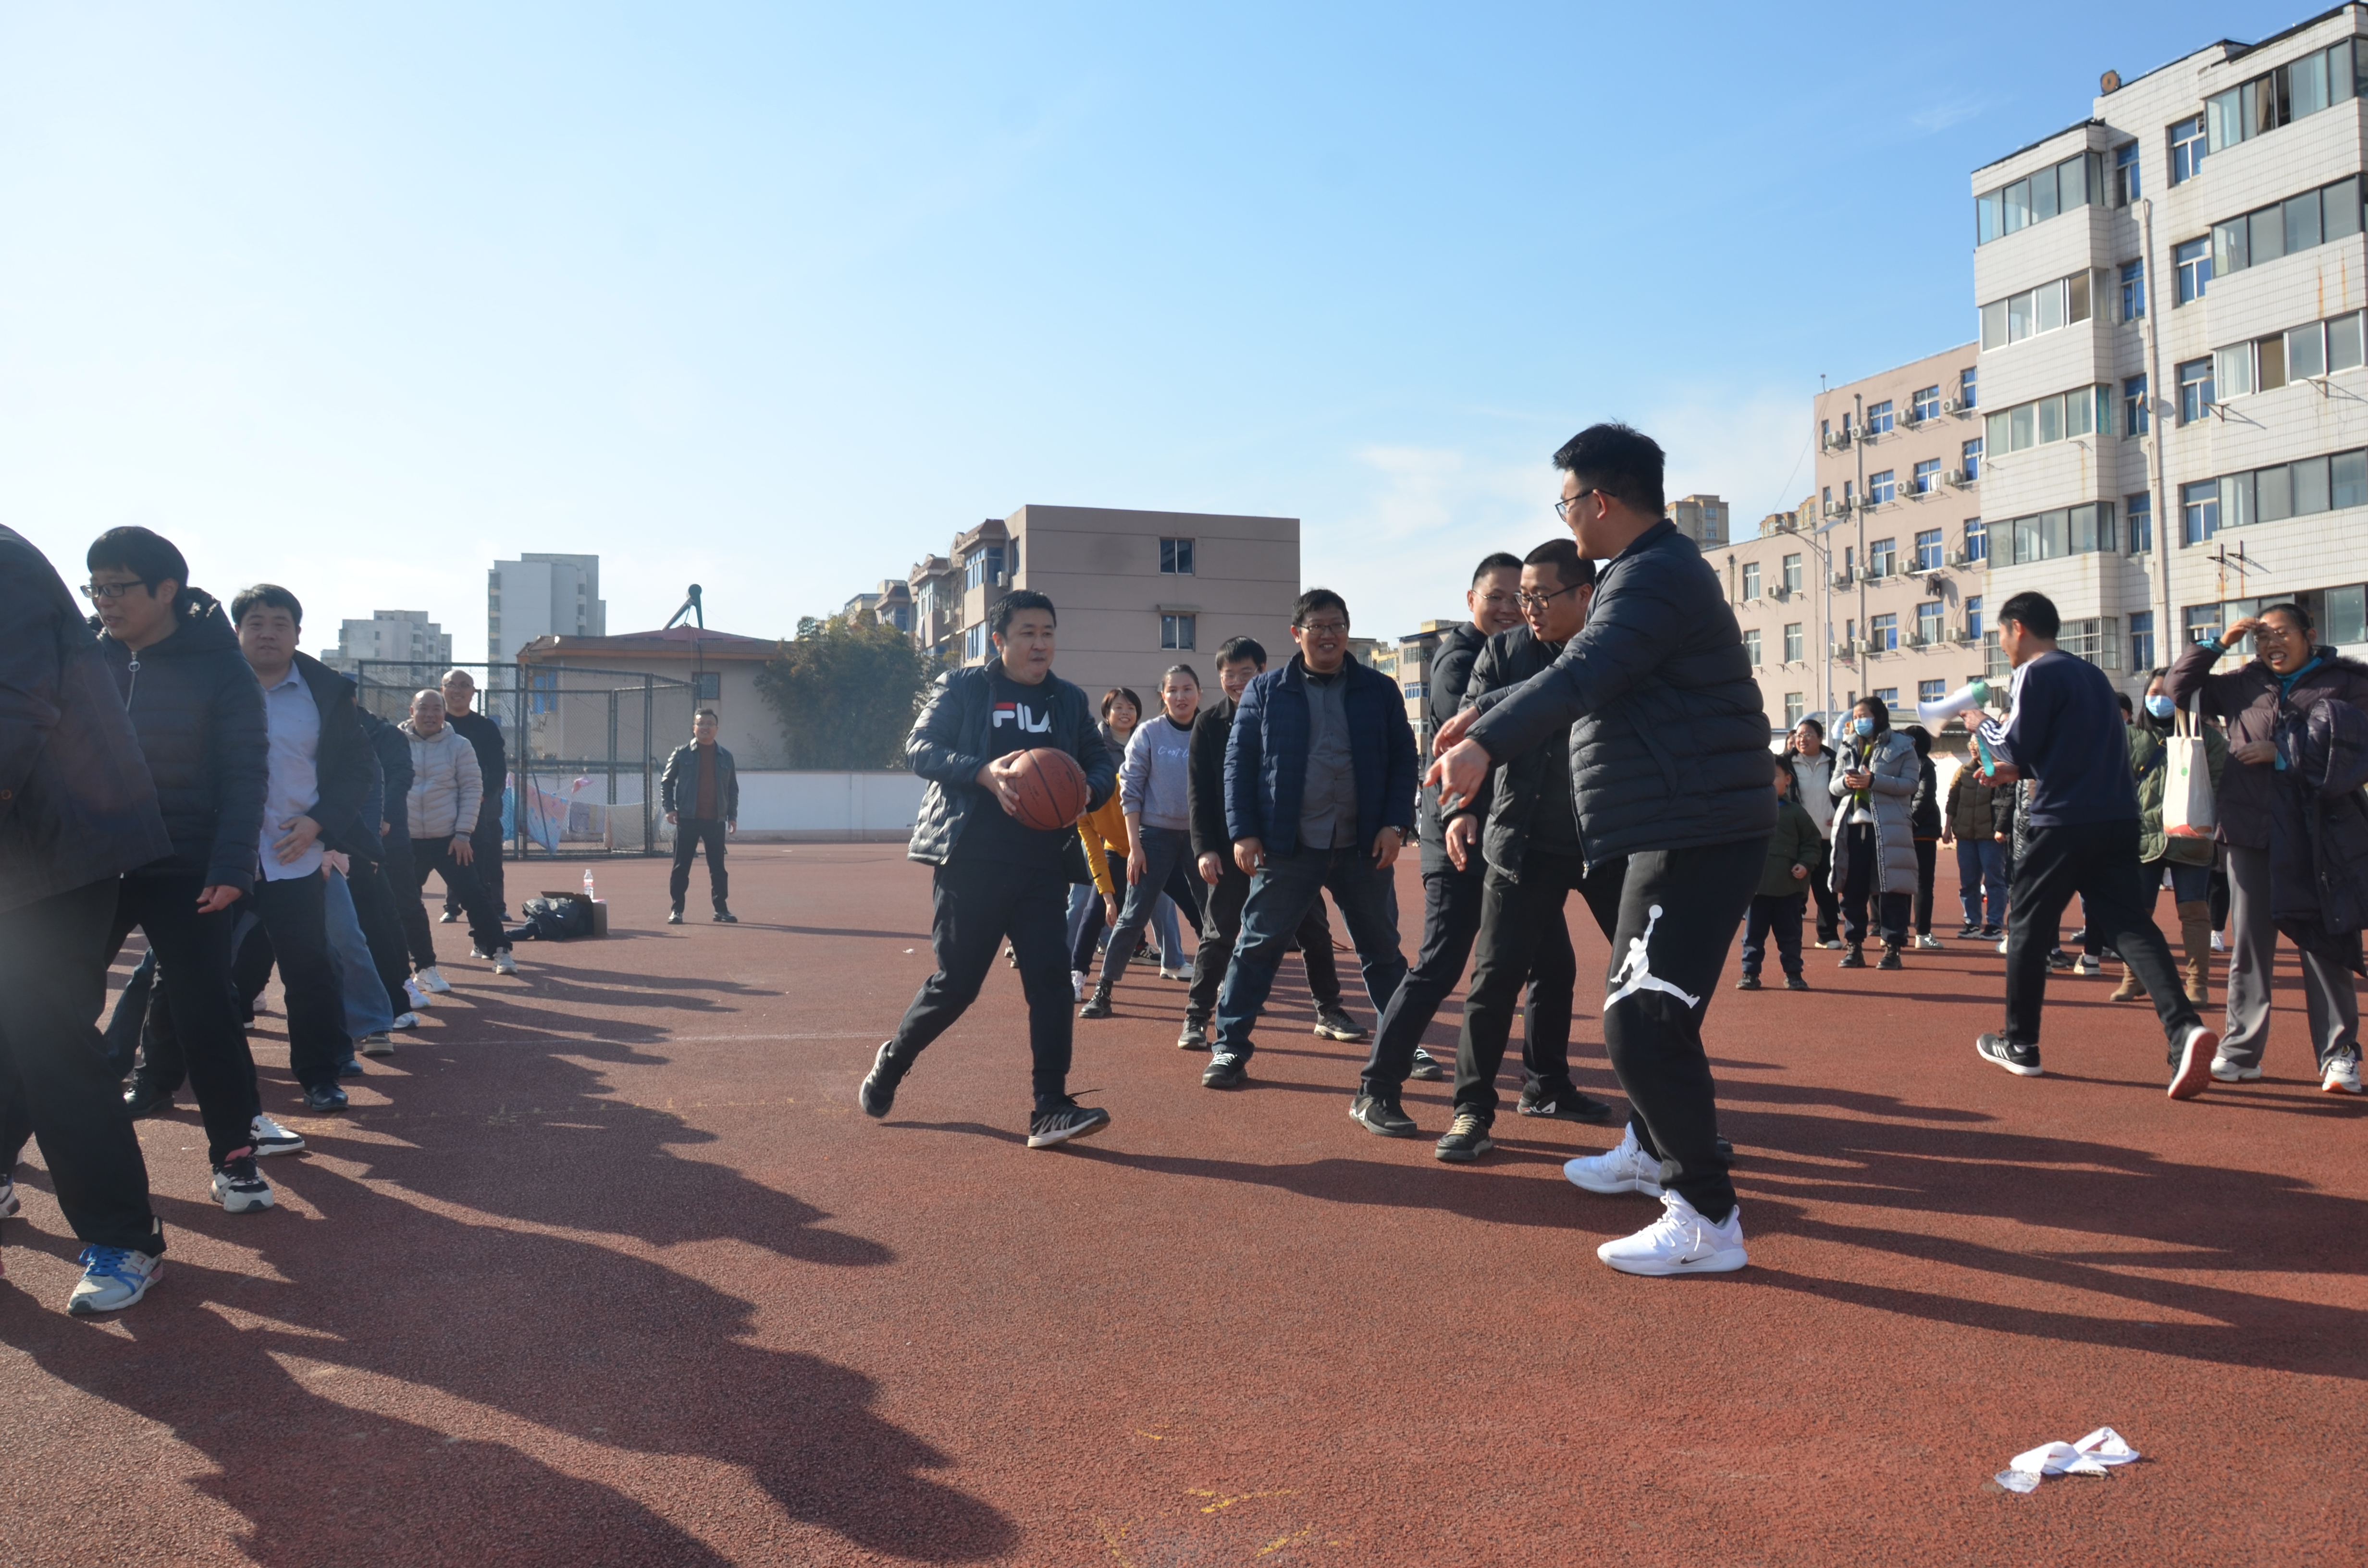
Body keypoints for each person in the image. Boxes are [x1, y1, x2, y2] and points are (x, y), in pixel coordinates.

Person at [1431, 422, 1772, 1277]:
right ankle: (1650, 1151)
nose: (1567, 517)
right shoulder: (1642, 571)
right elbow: (1581, 661)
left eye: (1568, 503)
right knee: (1649, 1009)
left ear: (1602, 500)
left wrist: (1484, 744)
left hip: (1696, 827)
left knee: (1641, 1020)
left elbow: (1587, 671)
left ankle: (1706, 1215)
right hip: (1672, 825)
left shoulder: (1655, 576)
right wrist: (1484, 711)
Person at [860, 590, 1120, 1147]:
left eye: (1047, 633)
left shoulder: (1068, 700)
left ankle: (1049, 1106)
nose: (1039, 644)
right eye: (1027, 633)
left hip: (1042, 863)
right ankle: (894, 1060)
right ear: (999, 640)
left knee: (1051, 982)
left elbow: (1101, 762)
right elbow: (919, 747)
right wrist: (981, 772)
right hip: (971, 859)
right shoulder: (963, 687)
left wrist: (1086, 792)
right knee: (957, 985)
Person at [75, 529, 282, 1208]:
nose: (104, 601)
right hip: (91, 867)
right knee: (48, 1012)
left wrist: (231, 865)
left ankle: (235, 1159)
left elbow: (246, 775)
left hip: (188, 869)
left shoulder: (221, 667)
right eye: (95, 587)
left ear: (167, 590)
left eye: (117, 587)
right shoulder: (82, 657)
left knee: (206, 1014)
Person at [0, 525, 174, 1313]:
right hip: (26, 846)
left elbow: (13, 710)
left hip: (59, 847)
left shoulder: (5, 564)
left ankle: (125, 1237)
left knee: (51, 1040)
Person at [1405, 540, 1612, 1155]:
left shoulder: (1613, 647)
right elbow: (1463, 740)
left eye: (1540, 597)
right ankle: (1471, 1113)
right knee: (1493, 979)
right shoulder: (1499, 651)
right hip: (1522, 837)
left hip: (1605, 839)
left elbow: (1560, 696)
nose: (1528, 610)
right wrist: (1461, 812)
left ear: (1584, 594)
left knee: (1646, 980)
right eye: (1523, 598)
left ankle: (1674, 1121)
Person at [1972, 592, 2219, 1095]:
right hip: (2117, 817)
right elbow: (2059, 751)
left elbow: (2012, 743)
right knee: (2130, 925)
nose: (2002, 646)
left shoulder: (2033, 672)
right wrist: (2017, 771)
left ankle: (2020, 1044)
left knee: (2026, 926)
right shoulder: (2091, 675)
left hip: (2062, 819)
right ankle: (2183, 1028)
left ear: (2017, 628)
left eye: (1999, 634)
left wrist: (1981, 724)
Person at [1204, 588, 1416, 1090]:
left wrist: (1395, 824)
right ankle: (1229, 1048)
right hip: (1288, 845)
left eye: (1336, 625)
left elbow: (1404, 760)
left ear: (1347, 631)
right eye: (1316, 626)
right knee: (1256, 948)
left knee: (1383, 951)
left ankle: (1406, 1045)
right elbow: (1238, 765)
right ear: (1296, 634)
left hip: (1363, 845)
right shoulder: (1265, 691)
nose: (1327, 635)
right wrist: (1244, 832)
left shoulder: (1379, 690)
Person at [1344, 557, 1528, 1127]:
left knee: (1550, 962)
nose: (1507, 609)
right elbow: (1463, 734)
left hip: (1508, 832)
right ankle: (1374, 1088)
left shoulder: (1523, 650)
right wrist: (1460, 811)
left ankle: (1547, 1084)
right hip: (1455, 829)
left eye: (1517, 598)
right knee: (1439, 964)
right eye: (1495, 597)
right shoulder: (1458, 658)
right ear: (1471, 600)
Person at [2166, 603, 2368, 1092]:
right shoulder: (2243, 683)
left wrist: (2282, 756)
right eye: (2261, 637)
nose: (2270, 644)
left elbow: (2358, 750)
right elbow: (2178, 690)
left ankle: (2340, 1055)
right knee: (2250, 947)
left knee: (2324, 942)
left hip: (2319, 834)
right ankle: (2241, 1053)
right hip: (2249, 831)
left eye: (2281, 633)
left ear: (2309, 635)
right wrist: (2219, 642)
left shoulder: (2347, 682)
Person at [232, 584, 382, 1115]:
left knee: (310, 971)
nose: (267, 633)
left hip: (293, 858)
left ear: (298, 634)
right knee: (179, 972)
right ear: (237, 632)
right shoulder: (214, 685)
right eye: (255, 623)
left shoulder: (327, 695)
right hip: (223, 859)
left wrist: (320, 825)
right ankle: (157, 1073)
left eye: (280, 623)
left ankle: (320, 1077)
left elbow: (358, 770)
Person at [1180, 642, 1367, 1052]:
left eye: (1245, 672)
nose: (1236, 681)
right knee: (1220, 933)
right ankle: (1196, 1016)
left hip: (1288, 848)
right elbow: (1199, 794)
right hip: (1231, 847)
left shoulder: (1286, 711)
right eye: (1228, 674)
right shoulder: (1209, 723)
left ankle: (1329, 1010)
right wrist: (1205, 848)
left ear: (1263, 671)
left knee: (1314, 930)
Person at [1082, 666, 1206, 1017]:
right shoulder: (1149, 733)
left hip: (1199, 837)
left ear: (1199, 692)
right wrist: (1135, 847)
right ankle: (1103, 991)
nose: (1181, 697)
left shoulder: (1210, 730)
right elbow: (1131, 791)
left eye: (1188, 689)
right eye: (1173, 690)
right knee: (1134, 914)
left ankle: (1227, 985)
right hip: (1155, 836)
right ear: (1163, 696)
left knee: (1211, 913)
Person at [2112, 669, 2225, 1007]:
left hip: (2191, 835)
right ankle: (2133, 978)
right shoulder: (2128, 736)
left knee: (2194, 912)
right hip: (2141, 837)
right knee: (2136, 912)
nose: (2159, 699)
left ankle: (2197, 984)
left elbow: (2219, 785)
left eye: (2168, 692)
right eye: (2154, 692)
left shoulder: (2208, 739)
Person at [399, 687, 514, 983]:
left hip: (450, 840)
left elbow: (472, 789)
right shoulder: (395, 742)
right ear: (412, 712)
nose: (430, 715)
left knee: (475, 894)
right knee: (402, 901)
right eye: (423, 708)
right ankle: (413, 959)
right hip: (407, 840)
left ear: (444, 713)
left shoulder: (460, 745)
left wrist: (463, 833)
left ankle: (499, 950)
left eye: (436, 709)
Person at [1828, 697, 1918, 970]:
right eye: (1855, 717)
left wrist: (1874, 781)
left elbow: (1910, 784)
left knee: (1893, 889)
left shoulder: (1903, 746)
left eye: (1863, 716)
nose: (1858, 721)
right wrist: (1847, 782)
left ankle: (1893, 949)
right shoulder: (1847, 746)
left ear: (1878, 716)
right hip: (1853, 828)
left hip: (1889, 828)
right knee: (1852, 890)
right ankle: (1854, 946)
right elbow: (1833, 786)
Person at [1071, 688, 1139, 995]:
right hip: (1118, 851)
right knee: (1093, 909)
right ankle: (1077, 975)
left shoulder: (1121, 783)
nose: (1125, 712)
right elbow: (1095, 853)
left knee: (1194, 904)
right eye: (1118, 707)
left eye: (1130, 707)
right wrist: (1110, 899)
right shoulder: (1082, 811)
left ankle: (1221, 973)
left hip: (1155, 846)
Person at [1738, 752, 1818, 991]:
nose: (1768, 781)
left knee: (1790, 935)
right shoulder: (1749, 812)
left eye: (1774, 776)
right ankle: (1750, 973)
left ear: (1788, 780)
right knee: (1753, 935)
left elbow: (1812, 843)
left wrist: (1805, 864)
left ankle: (1794, 974)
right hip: (1757, 889)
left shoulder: (1796, 813)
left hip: (1788, 888)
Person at [437, 669, 509, 926]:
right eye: (451, 685)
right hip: (446, 805)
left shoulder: (486, 727)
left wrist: (481, 796)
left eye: (464, 685)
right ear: (442, 690)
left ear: (473, 692)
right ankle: (452, 907)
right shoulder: (436, 725)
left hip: (484, 805)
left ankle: (497, 907)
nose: (457, 691)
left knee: (491, 859)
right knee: (453, 857)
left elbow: (498, 769)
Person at [662, 709, 740, 924]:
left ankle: (721, 910)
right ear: (694, 728)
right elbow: (666, 782)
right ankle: (677, 910)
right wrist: (670, 809)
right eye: (701, 723)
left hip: (716, 820)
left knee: (718, 869)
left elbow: (732, 789)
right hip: (687, 819)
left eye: (710, 724)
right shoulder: (681, 753)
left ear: (717, 728)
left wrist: (732, 816)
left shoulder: (726, 756)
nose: (705, 727)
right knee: (681, 867)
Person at [1941, 720, 2012, 938]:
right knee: (1968, 881)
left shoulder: (1999, 770)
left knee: (1994, 881)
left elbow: (2007, 801)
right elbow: (1952, 801)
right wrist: (1948, 828)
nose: (1973, 747)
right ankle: (1972, 922)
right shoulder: (1963, 772)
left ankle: (1994, 924)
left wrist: (2002, 829)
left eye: (1978, 743)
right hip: (1965, 836)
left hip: (1991, 836)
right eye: (1971, 743)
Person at [1785, 720, 1843, 948]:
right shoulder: (1786, 764)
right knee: (1794, 890)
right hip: (1796, 838)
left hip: (1827, 835)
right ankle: (1791, 937)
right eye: (1799, 735)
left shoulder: (1836, 762)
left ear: (1820, 738)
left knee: (1826, 888)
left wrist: (1840, 814)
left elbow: (1847, 792)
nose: (1802, 739)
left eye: (1808, 734)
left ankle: (1828, 935)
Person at [1903, 724, 1944, 950]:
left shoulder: (1899, 762)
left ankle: (1898, 931)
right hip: (1922, 830)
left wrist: (1904, 823)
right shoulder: (1925, 764)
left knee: (1901, 882)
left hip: (1904, 828)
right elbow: (1925, 797)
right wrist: (1911, 822)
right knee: (1923, 884)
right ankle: (1923, 935)